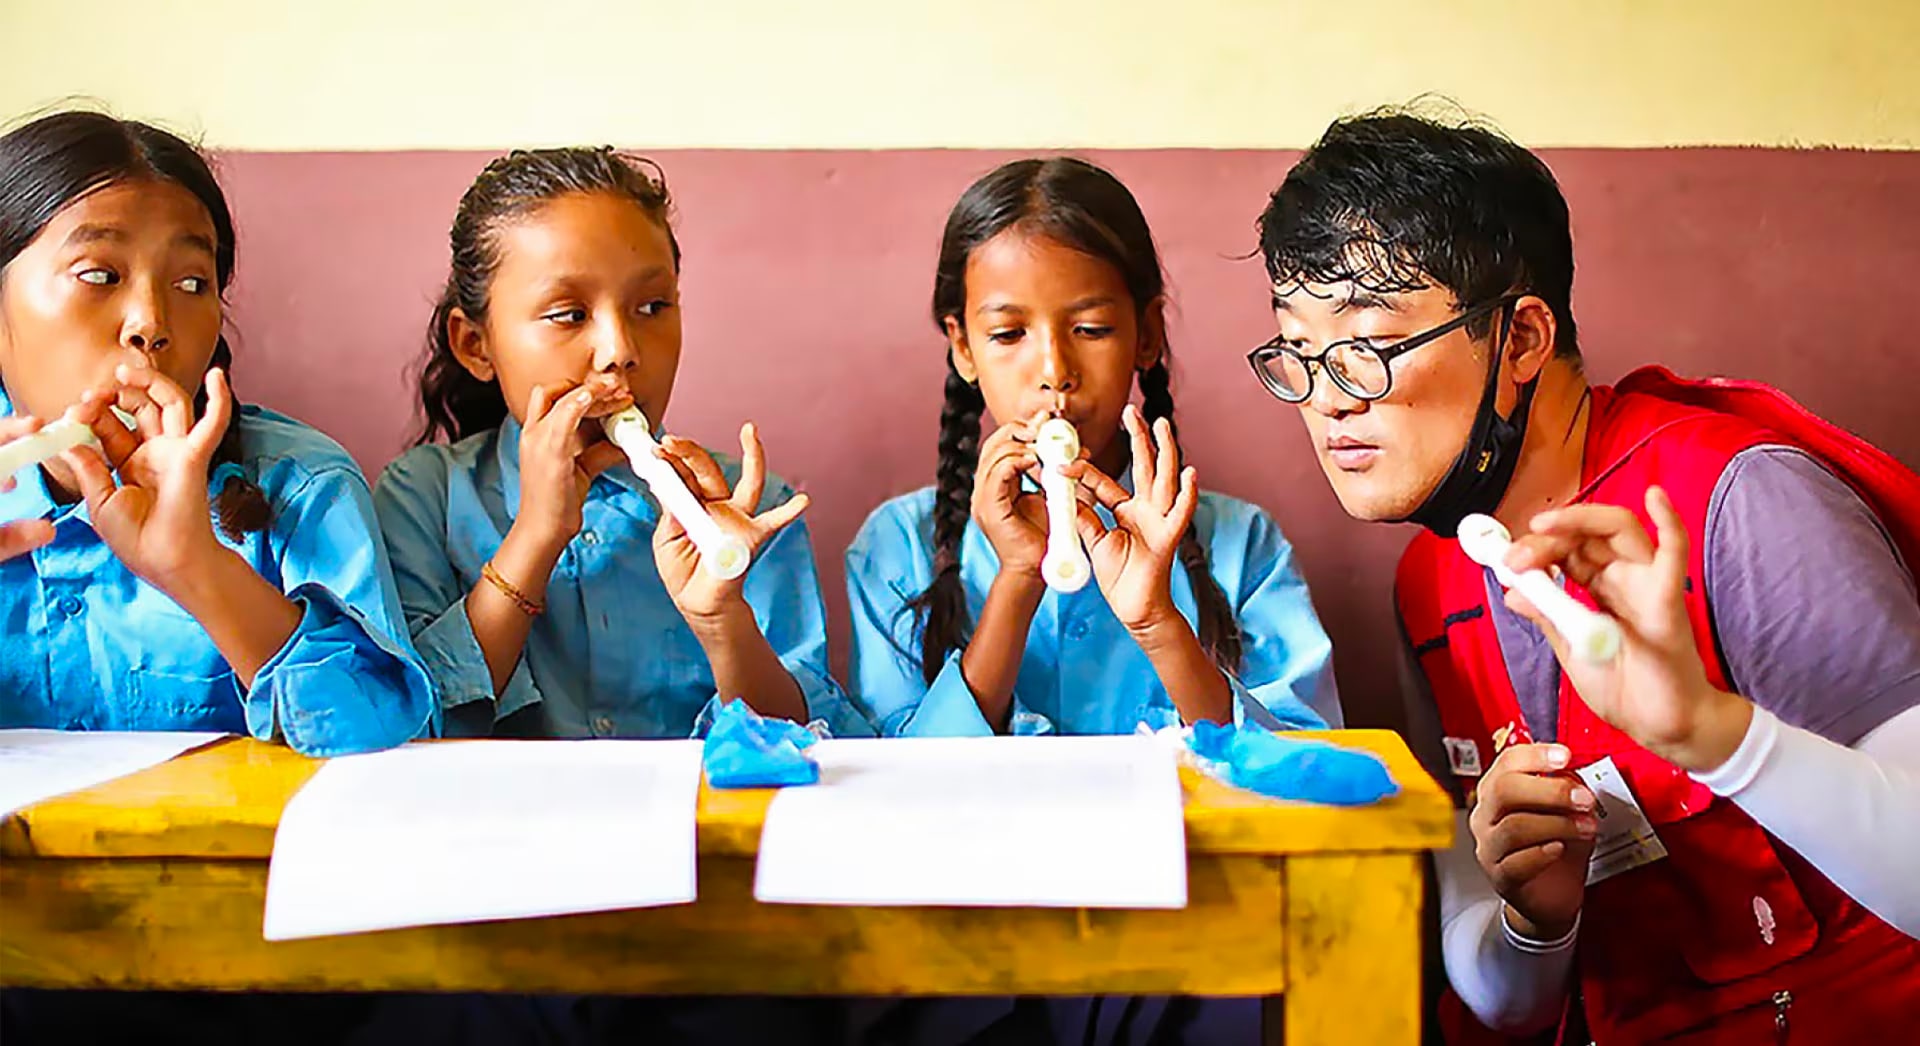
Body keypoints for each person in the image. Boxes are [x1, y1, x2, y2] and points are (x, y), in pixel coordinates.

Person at [1252, 107, 1920, 1041]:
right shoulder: (1431, 587)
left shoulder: (1739, 503)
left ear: (1520, 340)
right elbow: (1499, 999)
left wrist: (1721, 739)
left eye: (1365, 348)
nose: (1325, 402)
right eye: (1300, 354)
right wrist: (1536, 920)